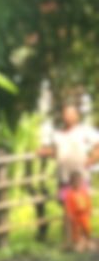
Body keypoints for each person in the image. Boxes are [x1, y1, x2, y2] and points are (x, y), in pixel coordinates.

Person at [39, 104, 99, 242]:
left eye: (71, 114)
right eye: (66, 114)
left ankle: (84, 238)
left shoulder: (85, 131)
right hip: (64, 178)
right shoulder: (58, 135)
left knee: (81, 208)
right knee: (67, 209)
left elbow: (97, 145)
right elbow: (55, 152)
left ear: (77, 116)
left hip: (80, 177)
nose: (68, 117)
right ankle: (71, 240)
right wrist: (44, 152)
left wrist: (92, 160)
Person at [62, 169, 94, 251]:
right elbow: (68, 206)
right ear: (71, 183)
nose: (77, 183)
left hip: (84, 215)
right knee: (76, 230)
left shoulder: (84, 192)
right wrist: (69, 214)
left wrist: (90, 210)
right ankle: (78, 243)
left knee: (87, 228)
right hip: (75, 216)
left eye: (79, 181)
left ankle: (88, 241)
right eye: (75, 181)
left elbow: (88, 201)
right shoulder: (69, 194)